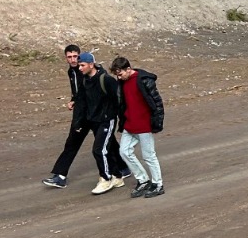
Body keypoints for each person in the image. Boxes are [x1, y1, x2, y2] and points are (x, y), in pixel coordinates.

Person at [44, 43, 120, 188]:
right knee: (73, 142)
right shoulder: (72, 71)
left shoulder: (89, 71)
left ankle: (119, 170)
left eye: (75, 57)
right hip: (83, 113)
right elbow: (79, 92)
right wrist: (74, 100)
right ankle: (60, 175)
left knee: (107, 143)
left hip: (95, 114)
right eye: (69, 57)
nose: (73, 60)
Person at [110, 56, 165, 197]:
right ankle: (143, 180)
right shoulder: (122, 82)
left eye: (120, 74)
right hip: (130, 124)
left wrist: (157, 123)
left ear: (128, 69)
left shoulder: (144, 80)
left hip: (144, 125)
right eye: (117, 75)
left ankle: (158, 184)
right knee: (124, 152)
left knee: (149, 156)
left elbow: (157, 102)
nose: (119, 77)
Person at [71, 52, 124, 195]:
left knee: (99, 150)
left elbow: (119, 99)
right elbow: (81, 102)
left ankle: (105, 179)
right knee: (108, 148)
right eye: (79, 65)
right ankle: (117, 176)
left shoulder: (106, 80)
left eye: (82, 65)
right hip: (94, 121)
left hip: (106, 120)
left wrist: (120, 118)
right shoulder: (84, 80)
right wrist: (78, 122)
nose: (80, 68)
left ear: (91, 64)